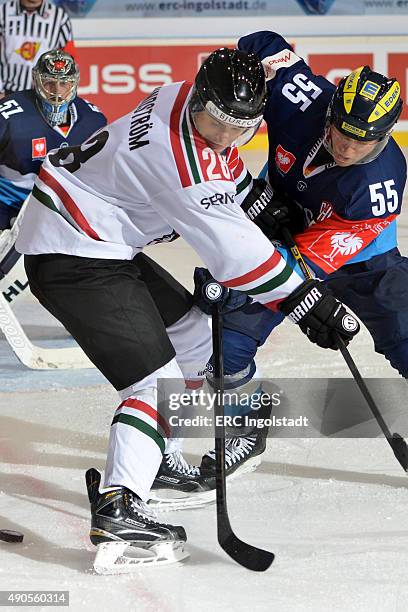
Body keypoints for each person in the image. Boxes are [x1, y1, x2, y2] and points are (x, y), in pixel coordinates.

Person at [15, 47, 359, 570]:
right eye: (215, 122)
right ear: (200, 99)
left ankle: (154, 460)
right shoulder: (181, 163)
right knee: (157, 386)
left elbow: (223, 172)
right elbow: (238, 258)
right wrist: (304, 298)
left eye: (237, 127)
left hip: (98, 239)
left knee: (197, 334)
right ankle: (120, 505)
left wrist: (254, 198)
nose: (223, 135)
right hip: (74, 254)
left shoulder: (177, 95)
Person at [180, 30, 408, 493]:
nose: (346, 147)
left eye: (363, 142)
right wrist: (254, 76)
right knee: (223, 345)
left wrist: (235, 273)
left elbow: (302, 267)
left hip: (363, 258)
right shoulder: (299, 98)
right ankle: (247, 425)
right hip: (277, 224)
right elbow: (262, 42)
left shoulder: (376, 188)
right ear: (328, 110)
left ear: (383, 138)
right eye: (342, 131)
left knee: (406, 337)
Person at [0, 49, 106, 231]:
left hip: (62, 214)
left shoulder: (93, 120)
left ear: (74, 83)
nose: (56, 91)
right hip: (9, 208)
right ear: (37, 81)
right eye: (49, 83)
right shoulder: (7, 114)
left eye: (64, 83)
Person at [0, 0, 75, 97]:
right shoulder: (3, 12)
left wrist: (60, 93)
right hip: (6, 92)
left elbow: (69, 61)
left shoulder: (60, 18)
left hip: (44, 94)